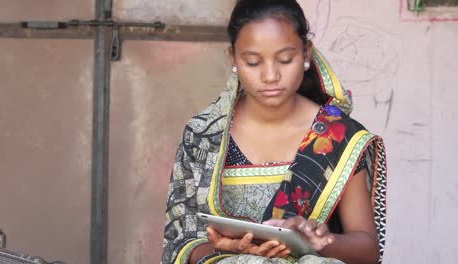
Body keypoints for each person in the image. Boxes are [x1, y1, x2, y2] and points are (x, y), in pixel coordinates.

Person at [162, 0, 387, 263]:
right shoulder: (203, 136)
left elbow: (367, 251)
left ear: (306, 53)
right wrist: (228, 250)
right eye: (253, 62)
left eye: (285, 59)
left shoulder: (340, 137)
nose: (270, 76)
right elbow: (180, 242)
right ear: (233, 58)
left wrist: (318, 242)